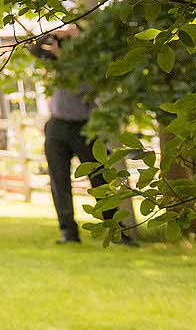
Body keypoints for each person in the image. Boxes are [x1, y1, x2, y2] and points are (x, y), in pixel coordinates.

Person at [28, 24, 139, 246]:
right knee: (59, 182)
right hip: (57, 126)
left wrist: (76, 39)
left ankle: (116, 233)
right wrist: (53, 34)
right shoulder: (57, 61)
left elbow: (82, 87)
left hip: (86, 128)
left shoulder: (91, 64)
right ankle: (69, 233)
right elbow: (34, 49)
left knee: (100, 180)